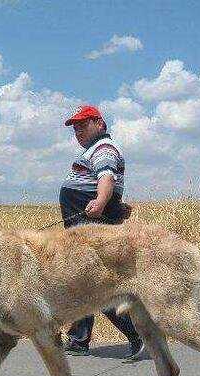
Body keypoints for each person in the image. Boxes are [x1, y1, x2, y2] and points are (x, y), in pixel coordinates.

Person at [59, 105, 144, 361]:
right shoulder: (94, 150)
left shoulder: (103, 148)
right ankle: (78, 339)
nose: (78, 131)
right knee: (80, 280)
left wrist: (100, 202)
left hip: (90, 225)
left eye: (83, 125)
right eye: (75, 128)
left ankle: (139, 334)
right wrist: (114, 205)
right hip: (84, 226)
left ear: (99, 123)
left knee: (95, 285)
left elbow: (106, 178)